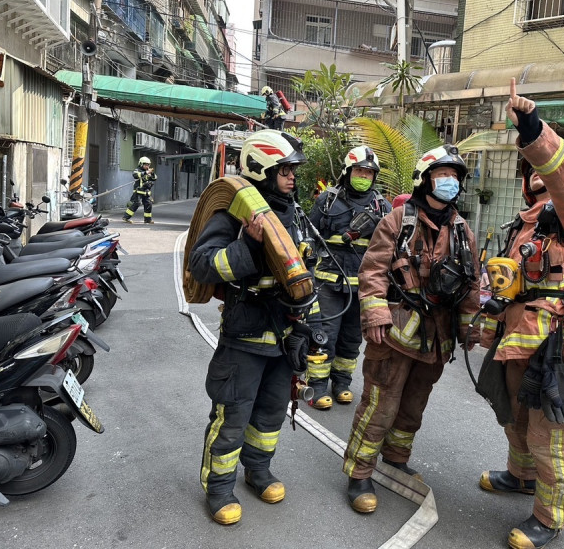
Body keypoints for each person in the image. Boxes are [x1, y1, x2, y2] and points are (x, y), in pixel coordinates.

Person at [478, 78, 564, 549]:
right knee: (515, 416)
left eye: (540, 166)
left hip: (560, 343)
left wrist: (532, 129)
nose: (536, 175)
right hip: (519, 337)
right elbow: (510, 284)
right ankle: (522, 476)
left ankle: (551, 516)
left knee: (551, 428)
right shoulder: (525, 222)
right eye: (527, 167)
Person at [188, 129, 317, 525]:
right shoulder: (233, 216)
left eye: (294, 170)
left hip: (282, 338)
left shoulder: (293, 213)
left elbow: (305, 274)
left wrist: (306, 328)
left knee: (270, 415)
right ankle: (219, 488)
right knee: (232, 417)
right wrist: (246, 247)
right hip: (244, 339)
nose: (293, 178)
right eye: (285, 170)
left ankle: (258, 471)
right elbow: (202, 264)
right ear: (261, 169)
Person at [342, 144, 480, 514]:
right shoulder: (398, 220)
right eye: (441, 175)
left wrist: (469, 330)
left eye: (454, 176)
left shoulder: (463, 230)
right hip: (395, 332)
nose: (448, 182)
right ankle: (359, 473)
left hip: (437, 339)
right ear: (425, 180)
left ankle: (397, 459)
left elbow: (472, 285)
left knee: (414, 405)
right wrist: (375, 316)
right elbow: (371, 271)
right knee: (380, 404)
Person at [307, 146, 391, 409]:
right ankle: (318, 386)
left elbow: (391, 246)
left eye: (368, 173)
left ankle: (342, 383)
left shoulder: (382, 206)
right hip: (329, 282)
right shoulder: (328, 200)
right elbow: (308, 235)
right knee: (324, 334)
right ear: (347, 171)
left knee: (352, 338)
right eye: (359, 171)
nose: (363, 176)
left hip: (363, 287)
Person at [123, 156, 157, 224]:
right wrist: (145, 173)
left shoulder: (148, 171)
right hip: (138, 191)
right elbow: (135, 175)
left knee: (148, 204)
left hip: (146, 192)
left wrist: (152, 173)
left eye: (148, 165)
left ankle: (147, 220)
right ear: (141, 164)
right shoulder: (137, 170)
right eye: (145, 165)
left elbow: (154, 178)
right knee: (136, 203)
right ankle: (126, 217)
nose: (147, 166)